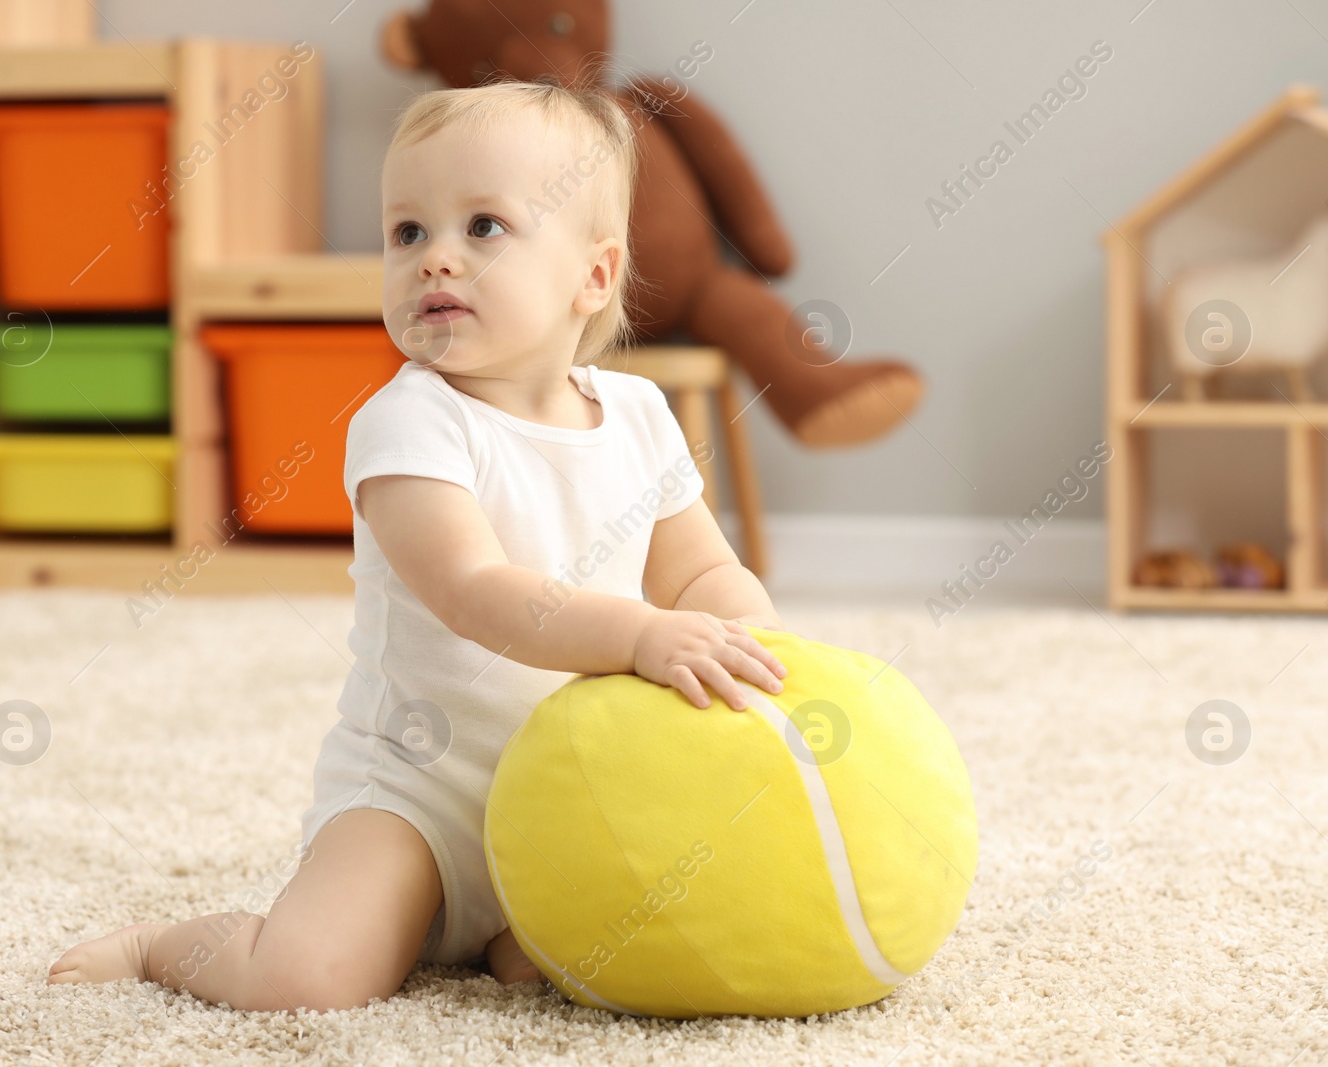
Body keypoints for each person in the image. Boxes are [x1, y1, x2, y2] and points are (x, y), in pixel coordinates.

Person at [48, 77, 788, 1012]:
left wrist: (756, 645)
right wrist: (642, 634)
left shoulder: (640, 413)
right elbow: (474, 589)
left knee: (615, 966)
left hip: (576, 789)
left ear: (592, 276)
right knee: (307, 981)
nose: (435, 259)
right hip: (417, 793)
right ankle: (170, 945)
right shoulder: (408, 423)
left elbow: (699, 569)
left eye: (483, 227)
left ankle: (506, 935)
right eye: (406, 233)